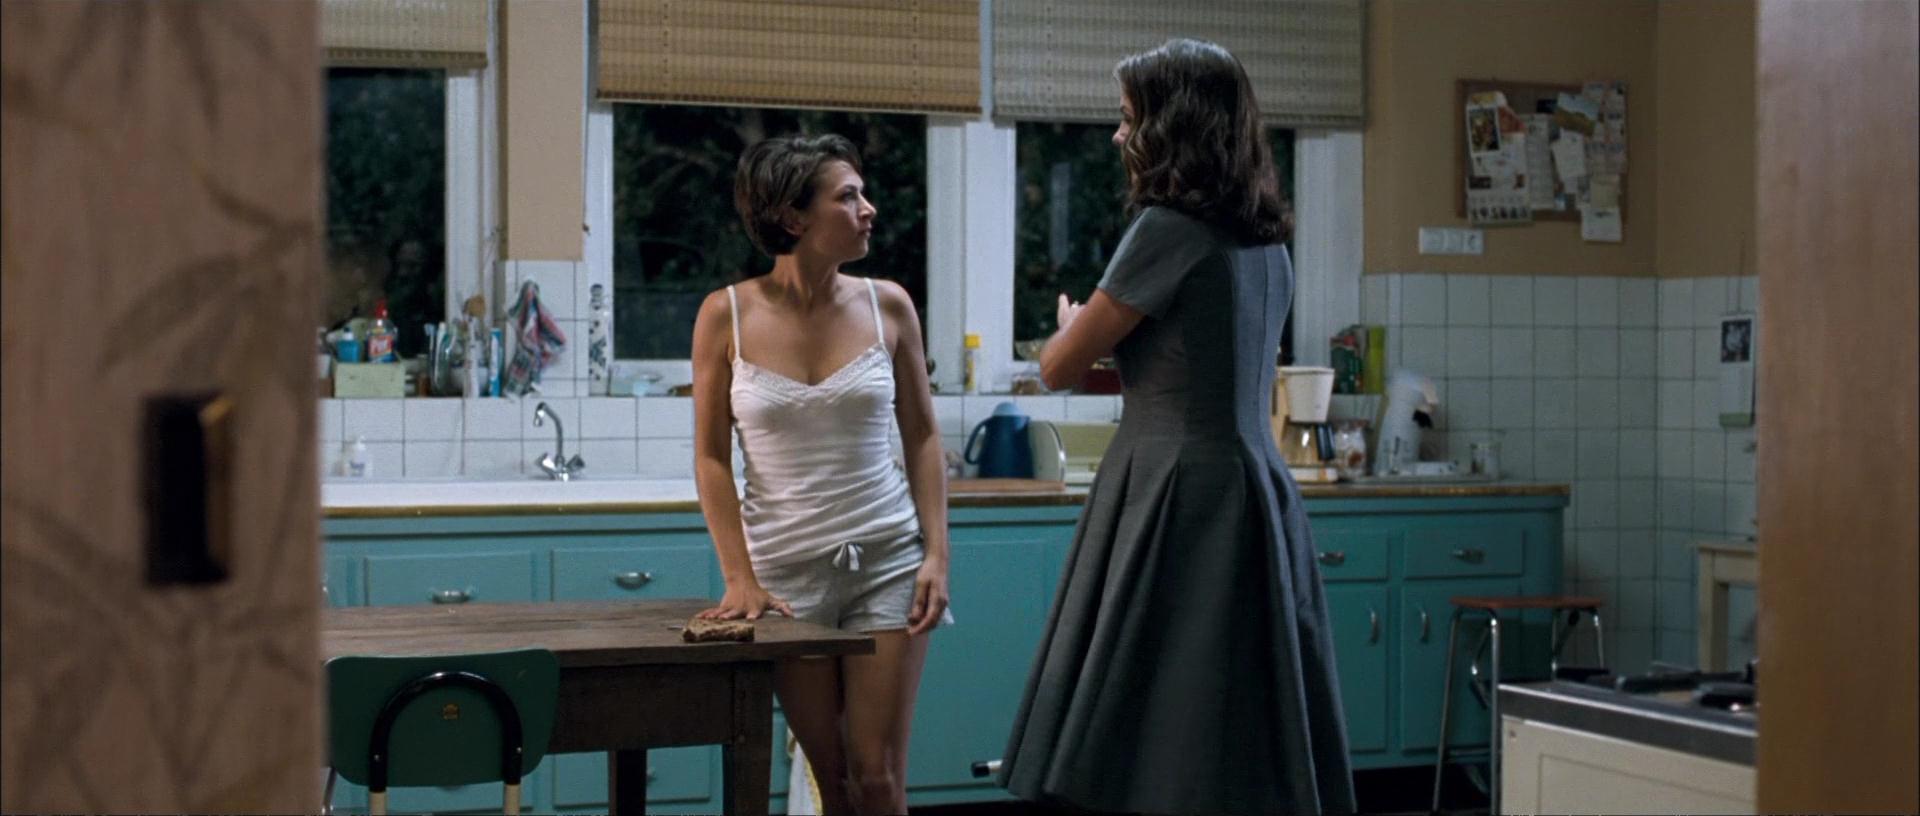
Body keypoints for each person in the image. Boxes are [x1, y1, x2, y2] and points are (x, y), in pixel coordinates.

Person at [997, 39, 1358, 815]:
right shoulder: (1264, 240)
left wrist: (1071, 322)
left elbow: (1057, 367)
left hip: (1173, 486)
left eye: (1131, 119)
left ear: (1174, 127)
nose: (1119, 135)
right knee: (1228, 711)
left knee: (1160, 713)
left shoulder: (1166, 229)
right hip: (1253, 483)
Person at [689, 133, 953, 816]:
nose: (869, 209)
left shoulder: (888, 305)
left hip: (888, 561)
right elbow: (711, 457)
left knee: (877, 777)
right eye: (848, 196)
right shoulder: (725, 314)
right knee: (829, 778)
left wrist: (936, 554)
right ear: (793, 216)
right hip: (786, 579)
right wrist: (740, 577)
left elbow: (923, 436)